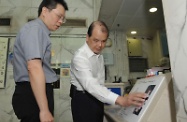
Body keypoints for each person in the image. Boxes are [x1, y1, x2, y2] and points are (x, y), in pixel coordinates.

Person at [70, 21, 147, 122]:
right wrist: (121, 100)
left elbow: (100, 83)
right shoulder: (79, 57)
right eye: (96, 40)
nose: (100, 45)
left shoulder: (99, 56)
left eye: (103, 41)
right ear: (87, 37)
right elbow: (90, 84)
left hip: (97, 99)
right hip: (83, 100)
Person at [12, 0, 68, 122]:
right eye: (59, 16)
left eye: (63, 19)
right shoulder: (35, 29)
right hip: (32, 94)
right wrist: (44, 110)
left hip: (34, 92)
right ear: (44, 11)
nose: (60, 22)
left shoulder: (40, 31)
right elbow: (34, 67)